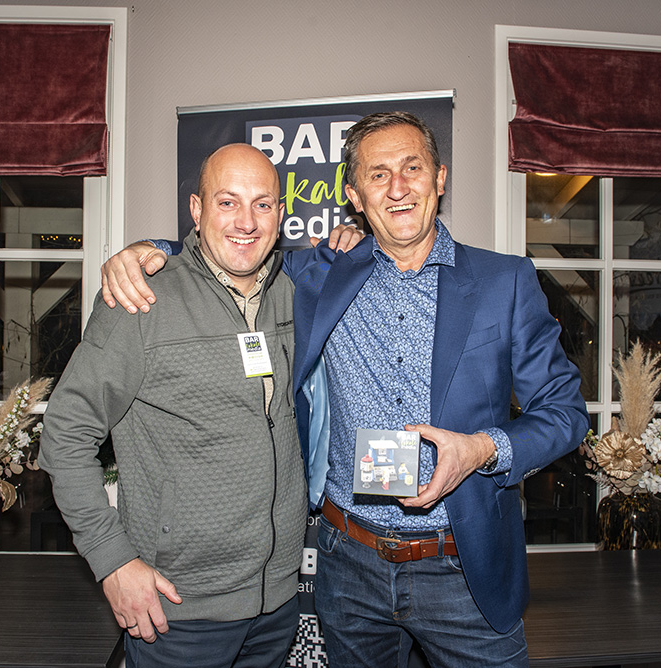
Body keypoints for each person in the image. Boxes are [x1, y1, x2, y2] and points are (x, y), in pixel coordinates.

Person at [101, 112, 589, 667]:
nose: (398, 188)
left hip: (462, 567)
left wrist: (482, 449)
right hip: (349, 564)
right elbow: (231, 248)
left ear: (439, 178)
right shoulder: (322, 273)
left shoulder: (505, 281)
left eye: (412, 168)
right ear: (355, 196)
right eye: (378, 175)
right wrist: (144, 251)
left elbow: (566, 412)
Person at [40, 143, 314, 668]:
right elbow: (64, 434)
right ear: (196, 208)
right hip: (178, 612)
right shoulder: (141, 299)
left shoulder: (292, 292)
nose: (247, 221)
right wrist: (112, 561)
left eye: (262, 204)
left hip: (278, 602)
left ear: (280, 215)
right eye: (227, 202)